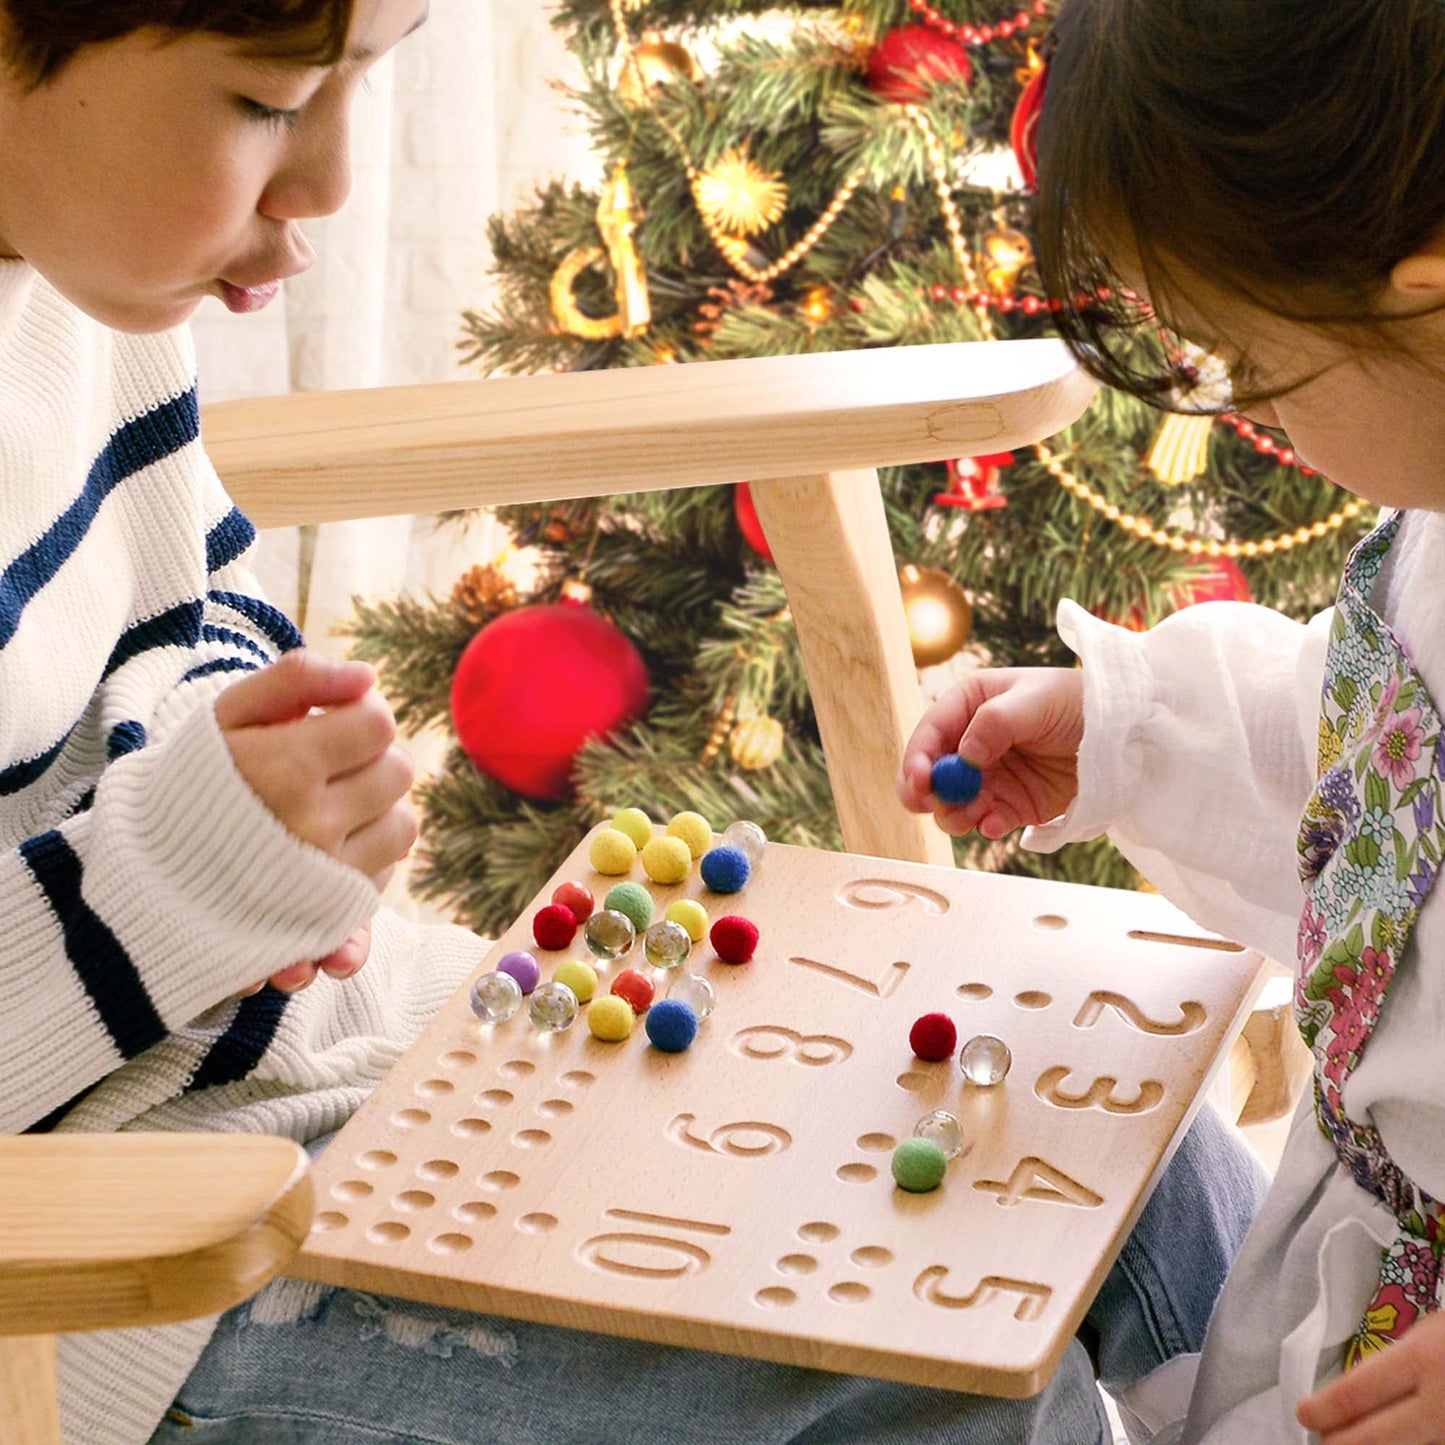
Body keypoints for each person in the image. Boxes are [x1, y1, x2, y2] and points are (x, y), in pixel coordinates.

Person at [0, 2, 1263, 1441]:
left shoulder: (81, 278)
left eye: (365, 78)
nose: (333, 183)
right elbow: (147, 881)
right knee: (933, 1397)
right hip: (129, 1265)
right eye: (269, 99)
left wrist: (256, 777)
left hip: (369, 1057)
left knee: (1109, 1131)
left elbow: (191, 597)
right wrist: (174, 877)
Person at [899, 1, 1445, 1441]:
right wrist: (1124, 724)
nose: (1246, 410)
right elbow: (1373, 751)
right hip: (1361, 1245)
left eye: (1251, 365)